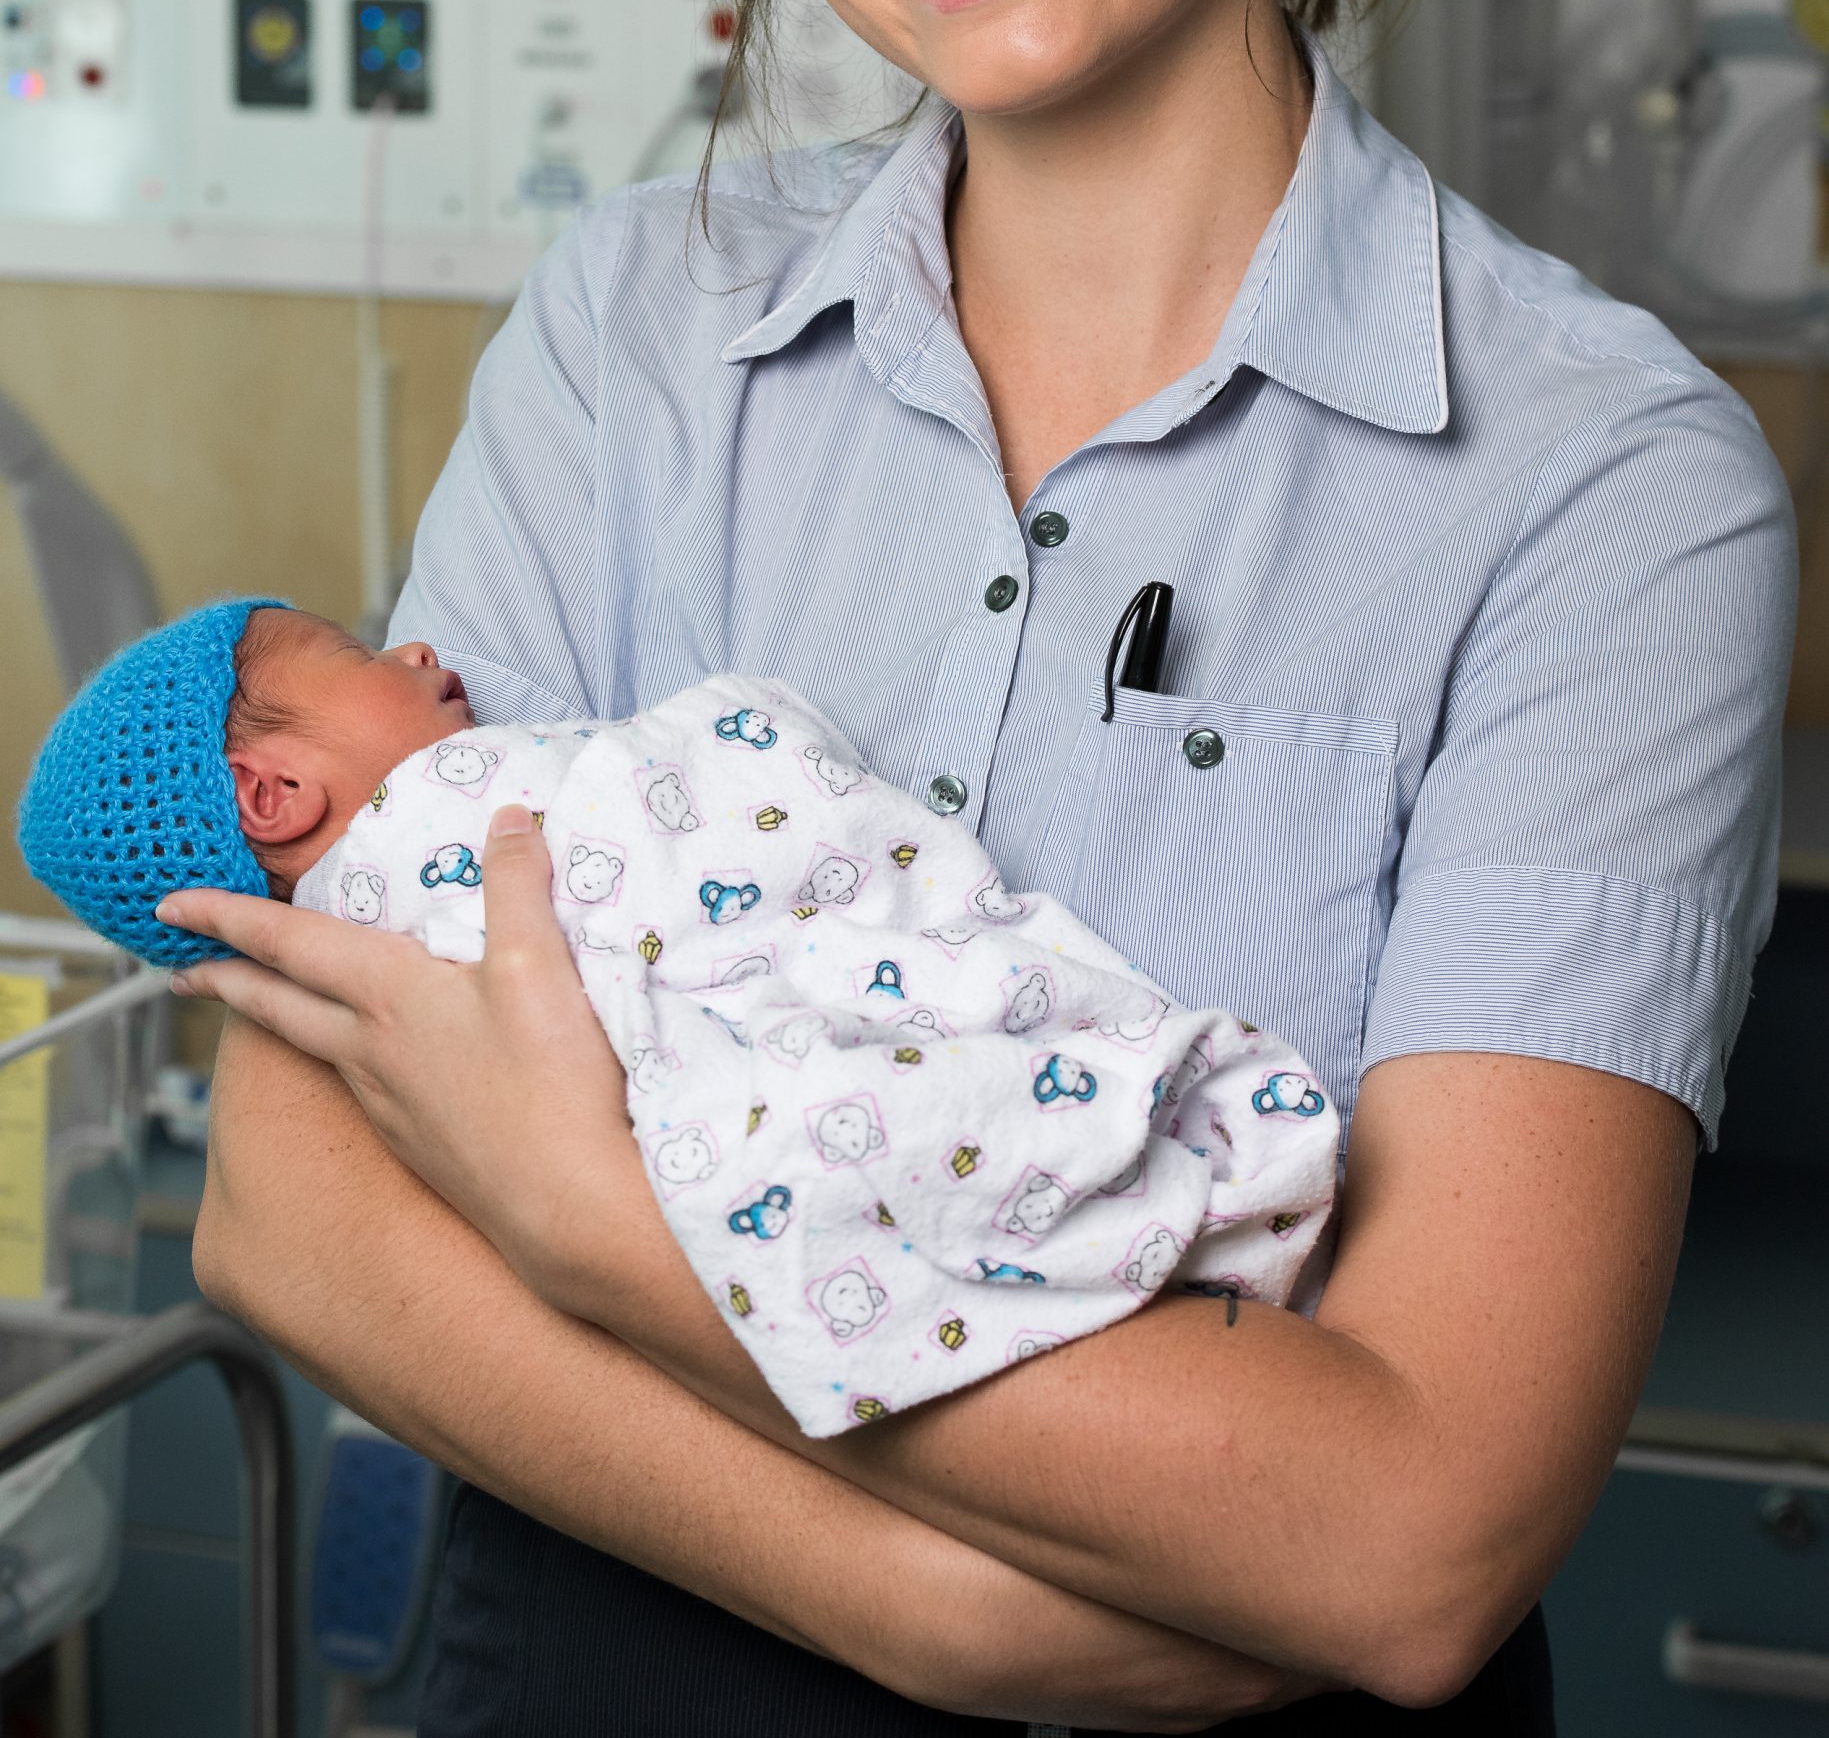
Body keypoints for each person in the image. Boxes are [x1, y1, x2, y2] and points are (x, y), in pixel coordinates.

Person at [156, 0, 1794, 1733]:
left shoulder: (1603, 492)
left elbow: (1413, 1524)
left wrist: (587, 1222)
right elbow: (290, 1197)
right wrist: (951, 1620)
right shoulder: (637, 341)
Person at [17, 599, 1336, 1435]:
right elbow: (665, 813)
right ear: (273, 797)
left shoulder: (369, 940)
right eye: (363, 653)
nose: (419, 648)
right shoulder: (445, 832)